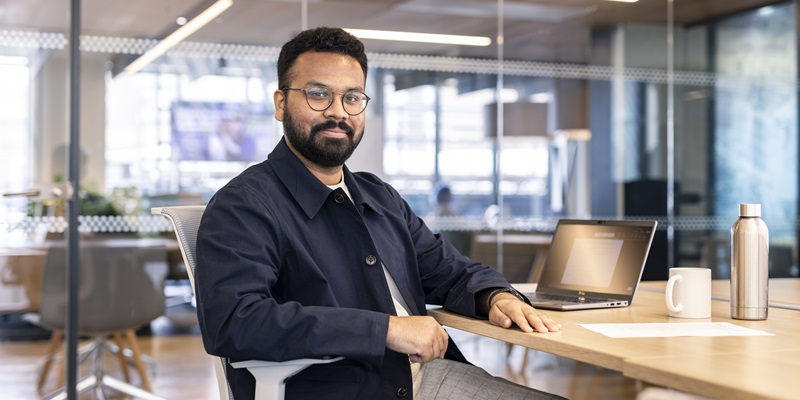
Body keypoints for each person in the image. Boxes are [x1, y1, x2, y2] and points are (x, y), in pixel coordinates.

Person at [195, 27, 563, 400]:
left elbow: (448, 270)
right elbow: (234, 321)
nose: (338, 112)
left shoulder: (378, 196)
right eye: (318, 94)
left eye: (352, 97)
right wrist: (386, 329)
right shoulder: (244, 204)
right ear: (280, 104)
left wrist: (495, 296)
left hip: (424, 376)